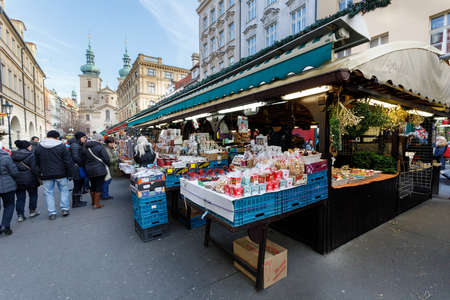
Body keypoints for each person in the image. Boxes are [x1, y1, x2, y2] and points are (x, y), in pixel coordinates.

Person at [34, 130, 73, 220]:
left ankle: (52, 213)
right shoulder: (61, 146)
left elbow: (36, 162)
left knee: (48, 193)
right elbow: (67, 161)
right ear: (57, 137)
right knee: (64, 190)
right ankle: (64, 209)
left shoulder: (39, 147)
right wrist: (70, 173)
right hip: (61, 173)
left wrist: (39, 173)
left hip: (46, 173)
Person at [11, 140, 40, 222]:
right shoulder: (31, 155)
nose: (31, 147)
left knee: (20, 198)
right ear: (27, 147)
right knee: (33, 195)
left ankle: (20, 215)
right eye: (30, 146)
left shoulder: (13, 155)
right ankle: (32, 211)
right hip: (30, 178)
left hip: (18, 179)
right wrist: (39, 175)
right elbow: (34, 168)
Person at [82, 135, 110, 209]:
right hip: (99, 169)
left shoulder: (85, 147)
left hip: (89, 170)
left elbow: (82, 160)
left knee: (93, 186)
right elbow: (106, 159)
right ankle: (96, 204)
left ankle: (93, 202)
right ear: (99, 140)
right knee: (99, 186)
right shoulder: (100, 147)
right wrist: (107, 165)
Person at [0, 141, 19, 235]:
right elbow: (14, 172)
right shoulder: (6, 157)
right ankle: (5, 225)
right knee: (9, 205)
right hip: (7, 185)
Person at [69, 132, 88, 208]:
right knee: (77, 185)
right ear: (80, 138)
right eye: (84, 137)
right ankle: (75, 203)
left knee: (79, 185)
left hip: (78, 167)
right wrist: (83, 164)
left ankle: (78, 201)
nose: (85, 139)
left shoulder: (78, 145)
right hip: (76, 168)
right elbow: (76, 158)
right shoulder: (75, 145)